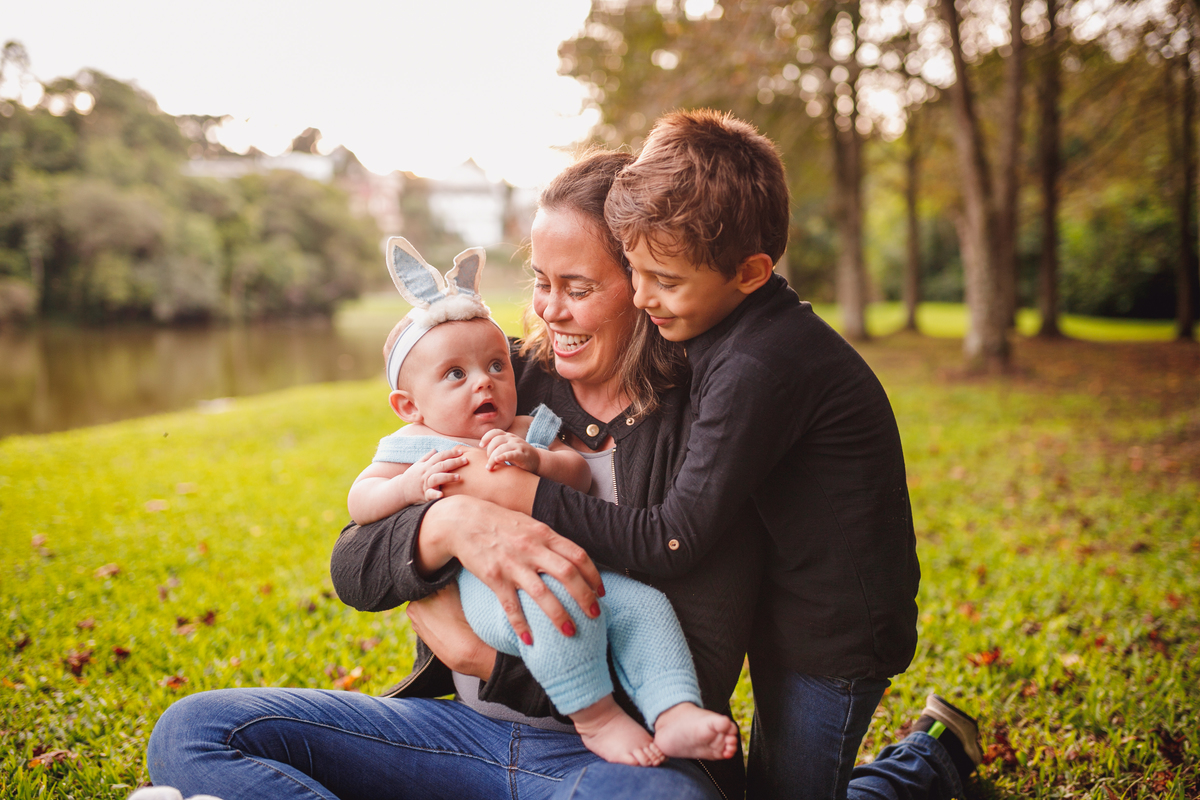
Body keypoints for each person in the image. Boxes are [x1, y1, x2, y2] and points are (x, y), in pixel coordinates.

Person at [146, 150, 764, 800]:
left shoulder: (707, 427)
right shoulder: (504, 378)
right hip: (457, 734)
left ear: (644, 284)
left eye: (577, 288)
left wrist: (486, 664)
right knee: (194, 732)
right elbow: (354, 566)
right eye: (539, 281)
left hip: (610, 759)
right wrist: (447, 522)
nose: (549, 312)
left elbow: (702, 653)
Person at [409, 110, 984, 800]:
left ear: (749, 272)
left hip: (833, 631)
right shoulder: (529, 371)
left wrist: (528, 494)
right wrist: (442, 527)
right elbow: (366, 543)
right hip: (784, 603)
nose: (648, 295)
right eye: (640, 272)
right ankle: (931, 763)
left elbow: (673, 537)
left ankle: (932, 766)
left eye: (659, 280)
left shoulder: (752, 367)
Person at [346, 236, 738, 767]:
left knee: (645, 609)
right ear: (408, 406)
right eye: (456, 376)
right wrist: (418, 496)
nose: (484, 382)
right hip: (489, 588)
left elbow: (575, 474)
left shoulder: (531, 426)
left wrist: (536, 463)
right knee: (558, 611)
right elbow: (361, 503)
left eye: (496, 366)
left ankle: (674, 711)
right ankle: (596, 717)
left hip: (577, 574)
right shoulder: (414, 447)